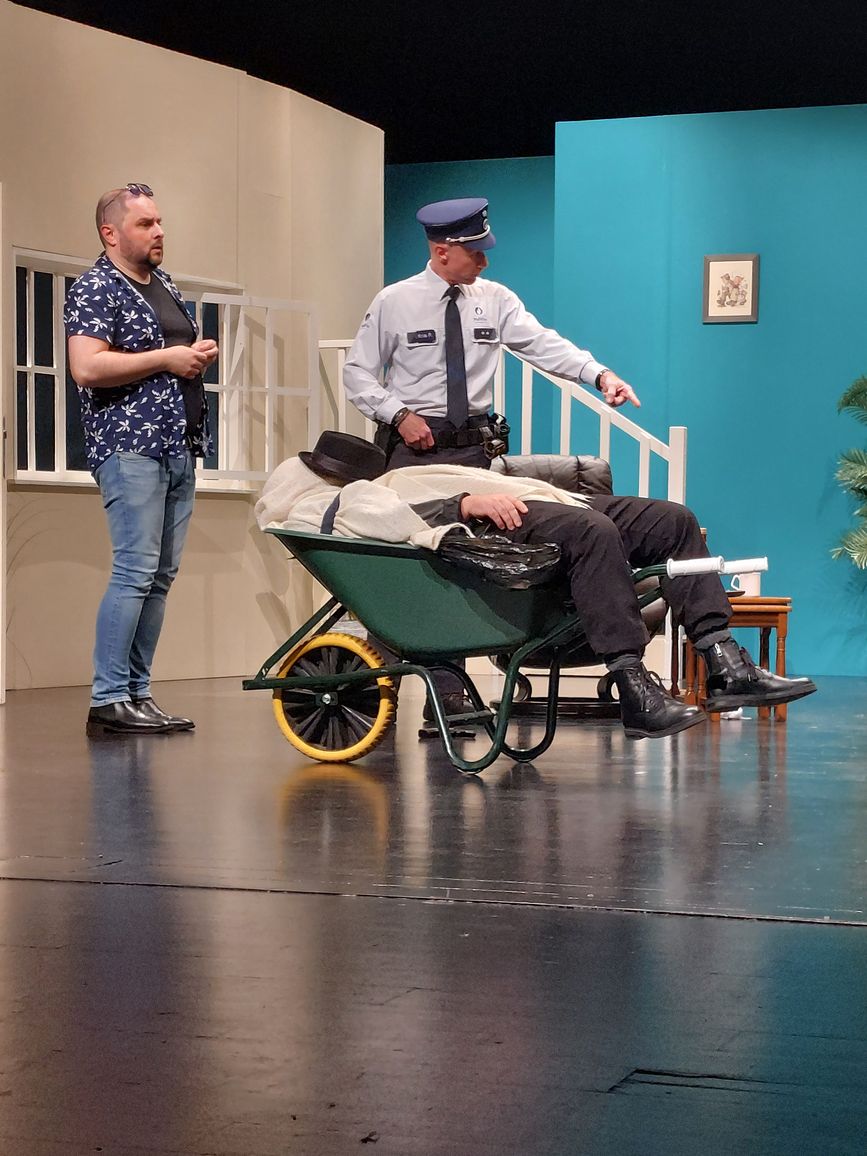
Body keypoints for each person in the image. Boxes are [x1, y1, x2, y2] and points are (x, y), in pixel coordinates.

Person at [257, 432, 817, 740]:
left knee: (674, 520)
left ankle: (724, 663)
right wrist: (463, 503)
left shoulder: (395, 477)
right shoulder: (343, 501)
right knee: (595, 533)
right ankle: (634, 690)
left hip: (537, 504)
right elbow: (395, 522)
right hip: (488, 524)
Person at [64, 183, 219, 737]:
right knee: (134, 570)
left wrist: (193, 356)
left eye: (159, 222)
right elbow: (86, 367)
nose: (159, 232)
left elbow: (168, 356)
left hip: (178, 445)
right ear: (111, 233)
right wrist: (167, 359)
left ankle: (136, 693)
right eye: (145, 224)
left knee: (160, 575)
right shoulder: (96, 287)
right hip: (130, 446)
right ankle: (108, 698)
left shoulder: (165, 284)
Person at [343, 196, 639, 471]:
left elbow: (542, 344)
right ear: (442, 252)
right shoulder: (394, 301)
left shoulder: (495, 298)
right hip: (413, 444)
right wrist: (399, 416)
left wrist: (601, 376)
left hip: (475, 449)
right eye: (475, 254)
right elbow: (357, 373)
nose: (485, 263)